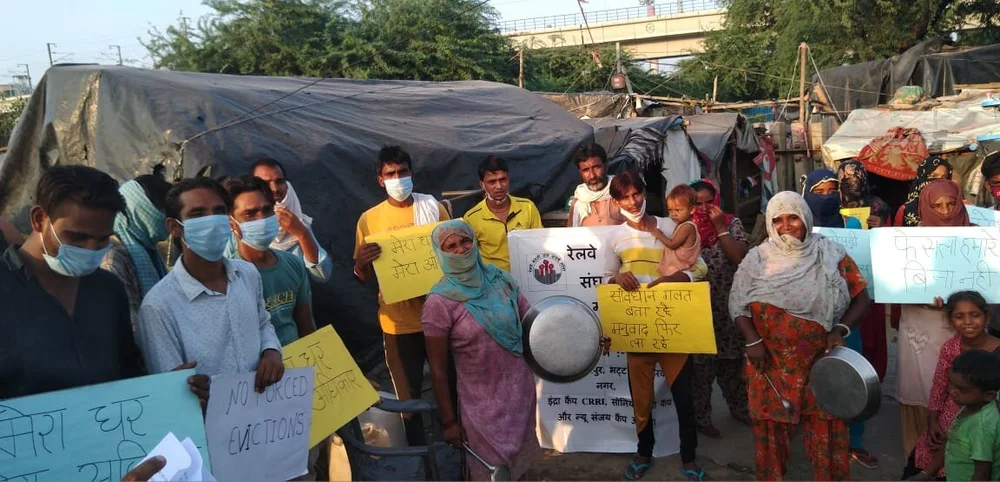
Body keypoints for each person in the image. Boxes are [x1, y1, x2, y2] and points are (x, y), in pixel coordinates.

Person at [729, 191, 870, 481]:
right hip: (769, 364)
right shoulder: (757, 259)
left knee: (826, 431)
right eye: (777, 220)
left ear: (805, 218)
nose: (786, 226)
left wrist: (840, 330)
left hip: (820, 363)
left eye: (793, 217)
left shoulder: (829, 254)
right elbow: (737, 303)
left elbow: (862, 298)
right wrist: (752, 340)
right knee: (771, 436)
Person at [136, 177, 284, 408]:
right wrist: (187, 389)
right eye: (197, 214)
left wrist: (271, 351)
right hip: (209, 424)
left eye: (218, 211)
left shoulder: (247, 274)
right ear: (174, 227)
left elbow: (263, 323)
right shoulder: (158, 306)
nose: (212, 221)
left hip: (263, 414)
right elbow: (171, 387)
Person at [0, 166, 142, 398]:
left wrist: (172, 388)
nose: (91, 249)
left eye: (102, 239)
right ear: (38, 220)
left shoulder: (109, 290)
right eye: (77, 237)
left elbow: (129, 373)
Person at [603, 171, 707, 481]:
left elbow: (700, 265)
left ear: (645, 192)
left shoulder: (670, 225)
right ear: (616, 202)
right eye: (624, 197)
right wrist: (617, 278)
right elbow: (605, 278)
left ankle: (689, 457)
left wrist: (680, 277)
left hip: (673, 323)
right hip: (637, 329)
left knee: (684, 396)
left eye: (636, 194)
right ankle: (643, 452)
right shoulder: (614, 236)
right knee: (641, 400)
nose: (632, 202)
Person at [422, 220, 542, 480]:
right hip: (481, 407)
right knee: (492, 473)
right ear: (440, 252)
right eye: (451, 246)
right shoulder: (439, 302)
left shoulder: (501, 281)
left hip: (519, 395)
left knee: (521, 470)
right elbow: (438, 370)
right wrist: (449, 422)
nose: (460, 249)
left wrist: (579, 340)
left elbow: (536, 325)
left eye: (465, 241)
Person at [354, 145, 450, 446]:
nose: (398, 179)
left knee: (449, 384)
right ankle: (419, 453)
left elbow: (454, 254)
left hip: (440, 316)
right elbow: (362, 276)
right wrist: (360, 264)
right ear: (380, 180)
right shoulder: (369, 220)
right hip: (397, 323)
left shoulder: (433, 208)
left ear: (412, 173)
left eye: (402, 172)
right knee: (408, 398)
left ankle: (454, 445)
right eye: (391, 174)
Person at [896, 178, 972, 456]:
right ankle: (918, 461)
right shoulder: (907, 243)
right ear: (924, 207)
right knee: (921, 393)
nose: (946, 211)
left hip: (963, 331)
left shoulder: (978, 238)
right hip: (920, 331)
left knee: (964, 393)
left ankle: (960, 465)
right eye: (937, 205)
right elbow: (893, 285)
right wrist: (918, 296)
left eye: (951, 204)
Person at [903, 291, 1000, 479]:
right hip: (948, 419)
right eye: (959, 316)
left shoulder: (997, 350)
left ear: (987, 317)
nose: (968, 322)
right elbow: (939, 386)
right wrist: (932, 422)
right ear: (950, 320)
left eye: (975, 315)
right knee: (926, 457)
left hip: (981, 421)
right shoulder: (950, 347)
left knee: (974, 462)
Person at [687, 179, 750, 438]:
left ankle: (740, 409)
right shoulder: (685, 227)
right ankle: (702, 418)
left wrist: (720, 227)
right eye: (697, 203)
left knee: (732, 365)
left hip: (727, 308)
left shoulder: (731, 223)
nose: (703, 209)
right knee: (701, 371)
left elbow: (739, 257)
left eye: (708, 202)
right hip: (698, 310)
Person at [224, 174, 315, 346]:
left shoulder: (293, 264)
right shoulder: (227, 277)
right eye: (250, 214)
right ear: (232, 223)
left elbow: (307, 328)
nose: (262, 219)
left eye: (267, 210)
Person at [101, 174, 173, 327]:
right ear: (141, 210)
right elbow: (128, 326)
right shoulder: (113, 258)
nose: (168, 220)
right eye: (163, 210)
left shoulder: (149, 250)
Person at [249, 158, 333, 282]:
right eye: (265, 183)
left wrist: (302, 235)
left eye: (279, 182)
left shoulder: (296, 222)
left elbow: (322, 275)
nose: (275, 189)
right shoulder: (241, 228)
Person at [463, 155, 542, 272]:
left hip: (527, 274)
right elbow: (470, 257)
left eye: (502, 179)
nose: (499, 186)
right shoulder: (471, 218)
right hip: (493, 280)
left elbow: (539, 242)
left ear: (509, 179)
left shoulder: (527, 207)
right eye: (492, 182)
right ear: (482, 184)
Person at [942, 350, 1000, 481]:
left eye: (962, 389)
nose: (953, 392)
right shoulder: (971, 406)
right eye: (951, 384)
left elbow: (982, 473)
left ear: (989, 395)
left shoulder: (982, 426)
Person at [568, 143, 625, 227]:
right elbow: (570, 232)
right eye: (586, 170)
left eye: (596, 167)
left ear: (606, 166)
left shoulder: (622, 194)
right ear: (580, 172)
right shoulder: (578, 201)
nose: (592, 176)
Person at [651, 184, 700, 278]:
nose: (673, 214)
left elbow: (672, 244)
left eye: (678, 210)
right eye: (670, 210)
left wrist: (659, 234)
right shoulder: (681, 224)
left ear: (692, 209)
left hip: (679, 268)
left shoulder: (687, 226)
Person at [897, 156, 954, 227]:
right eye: (933, 176)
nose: (939, 181)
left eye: (944, 177)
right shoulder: (906, 210)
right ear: (922, 178)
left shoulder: (956, 205)